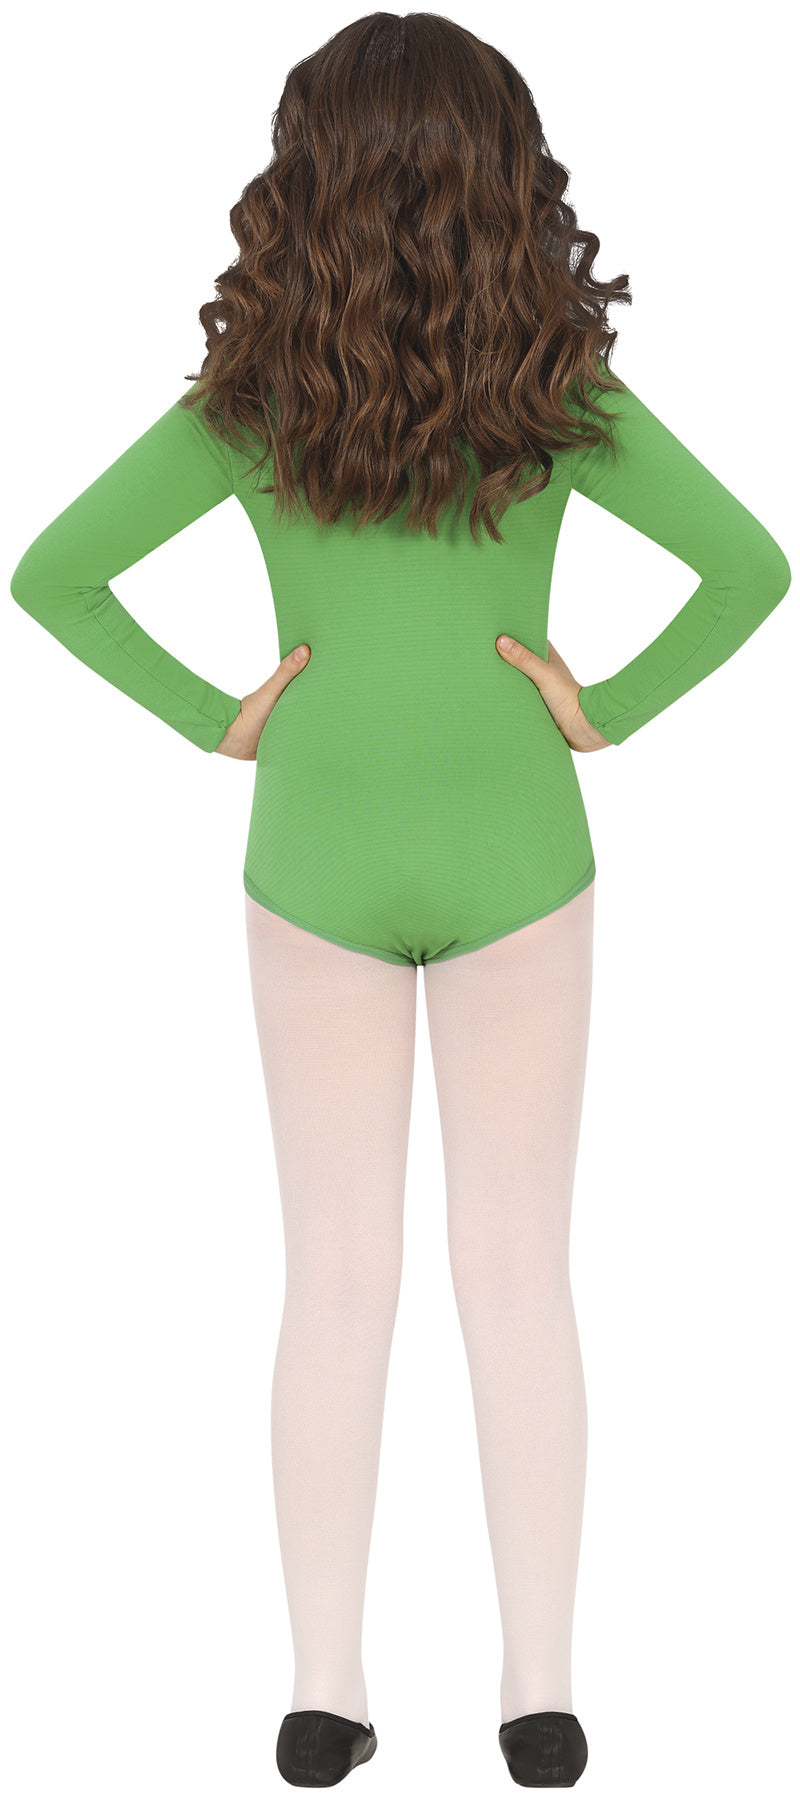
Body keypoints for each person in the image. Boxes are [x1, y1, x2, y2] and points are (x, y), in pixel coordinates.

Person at [8, 12, 791, 1790]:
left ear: (304, 183)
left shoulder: (252, 408)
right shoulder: (561, 398)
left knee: (335, 1277)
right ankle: (541, 1697)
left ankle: (322, 1692)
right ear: (512, 184)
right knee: (518, 1271)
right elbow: (752, 567)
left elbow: (54, 574)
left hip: (318, 856)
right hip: (520, 853)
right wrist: (608, 708)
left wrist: (217, 718)